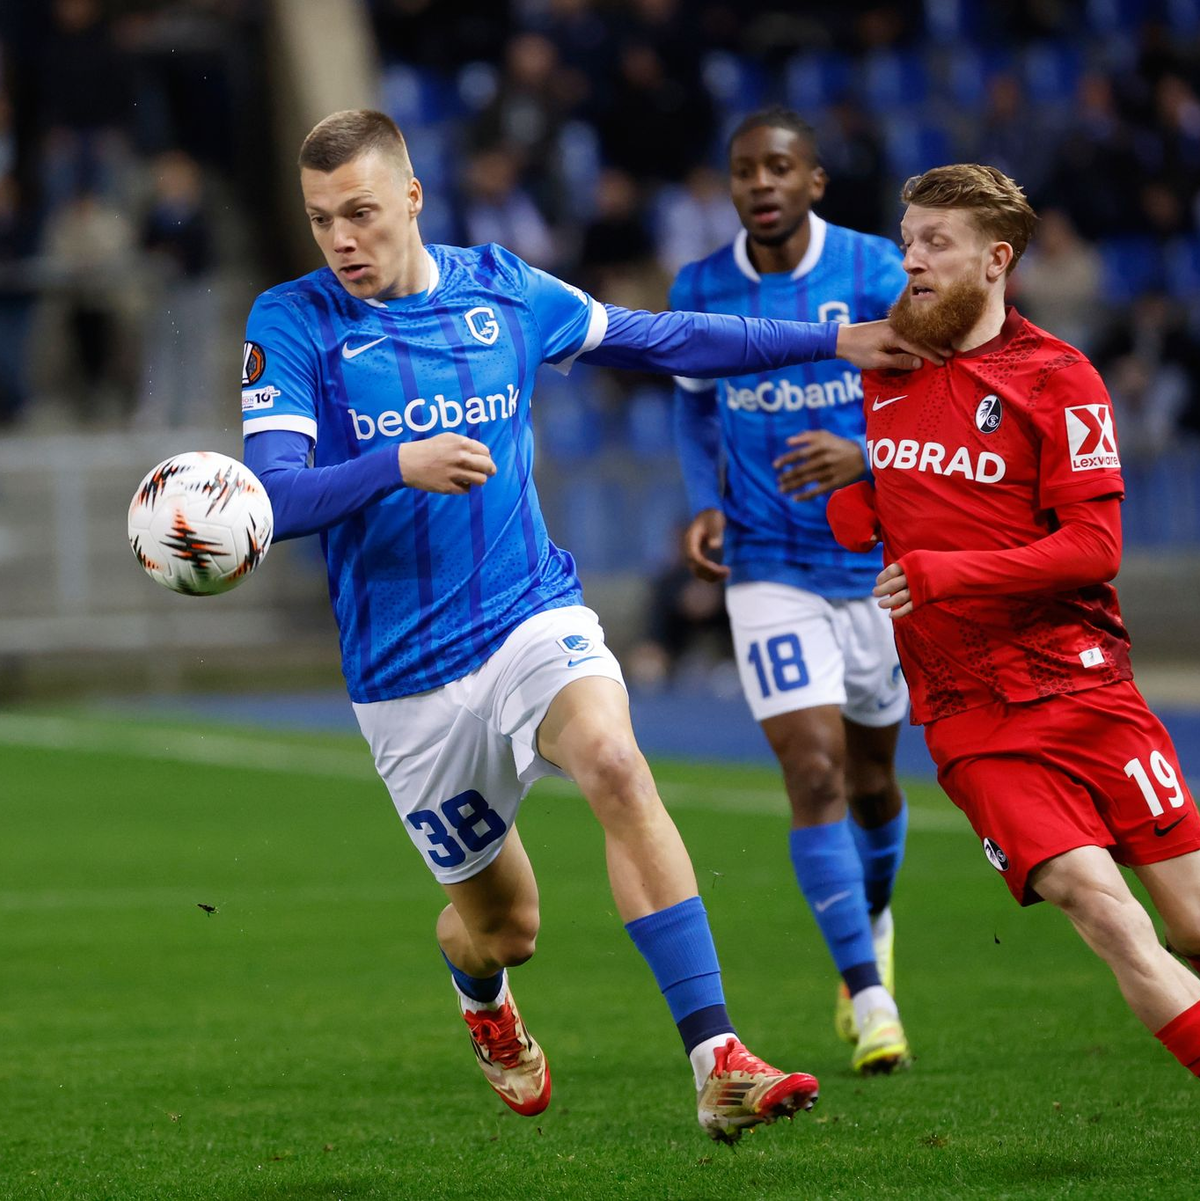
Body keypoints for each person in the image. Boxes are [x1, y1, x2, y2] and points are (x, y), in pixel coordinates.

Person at [239, 110, 932, 1144]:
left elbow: (661, 337)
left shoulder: (503, 291)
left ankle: (716, 1058)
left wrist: (832, 337)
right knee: (504, 929)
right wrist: (397, 463)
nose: (341, 239)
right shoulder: (293, 321)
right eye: (321, 219)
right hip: (404, 675)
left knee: (614, 759)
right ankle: (481, 996)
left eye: (362, 213)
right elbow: (273, 497)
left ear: (414, 199)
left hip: (528, 615)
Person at [827, 163, 1200, 1080]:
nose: (911, 260)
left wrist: (945, 571)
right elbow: (916, 488)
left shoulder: (1060, 378)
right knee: (1102, 908)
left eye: (935, 242)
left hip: (1087, 686)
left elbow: (1093, 548)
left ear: (996, 259)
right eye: (907, 241)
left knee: (1192, 922)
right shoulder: (887, 368)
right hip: (970, 711)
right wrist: (862, 499)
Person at [671, 107, 913, 1076]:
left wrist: (865, 456)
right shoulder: (702, 287)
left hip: (876, 566)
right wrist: (705, 500)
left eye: (779, 167)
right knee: (814, 775)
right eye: (744, 170)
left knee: (874, 780)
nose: (761, 184)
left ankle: (875, 920)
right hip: (767, 564)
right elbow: (694, 409)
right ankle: (870, 994)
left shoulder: (877, 273)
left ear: (814, 181)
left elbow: (935, 393)